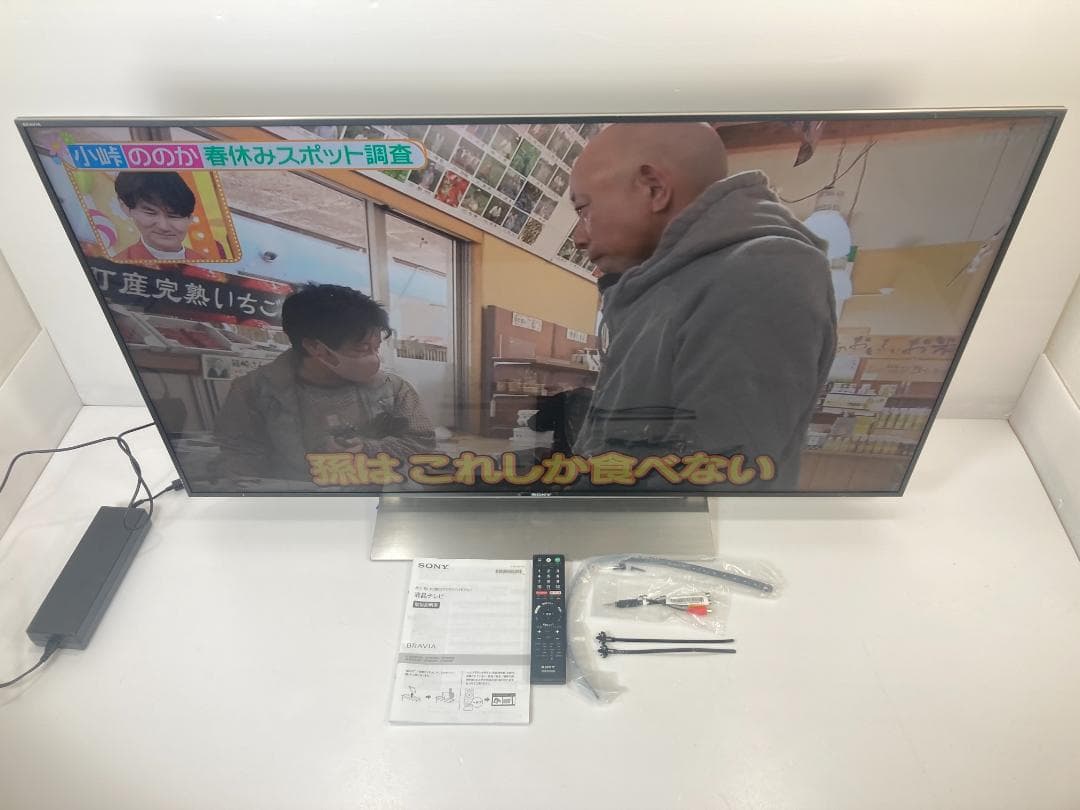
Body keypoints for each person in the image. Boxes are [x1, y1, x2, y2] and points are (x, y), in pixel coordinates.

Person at [568, 123, 836, 490]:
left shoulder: (760, 272)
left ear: (654, 188)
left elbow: (716, 483)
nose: (579, 237)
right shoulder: (666, 284)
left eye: (583, 210)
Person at [215, 284, 436, 483]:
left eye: (376, 347)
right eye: (362, 348)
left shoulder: (393, 389)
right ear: (315, 347)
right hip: (296, 501)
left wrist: (367, 449)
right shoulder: (254, 391)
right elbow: (240, 457)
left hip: (373, 497)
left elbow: (421, 443)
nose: (373, 358)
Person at [112, 171, 226, 262]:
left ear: (190, 218)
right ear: (127, 208)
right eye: (151, 213)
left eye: (174, 216)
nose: (163, 227)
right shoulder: (120, 263)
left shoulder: (206, 263)